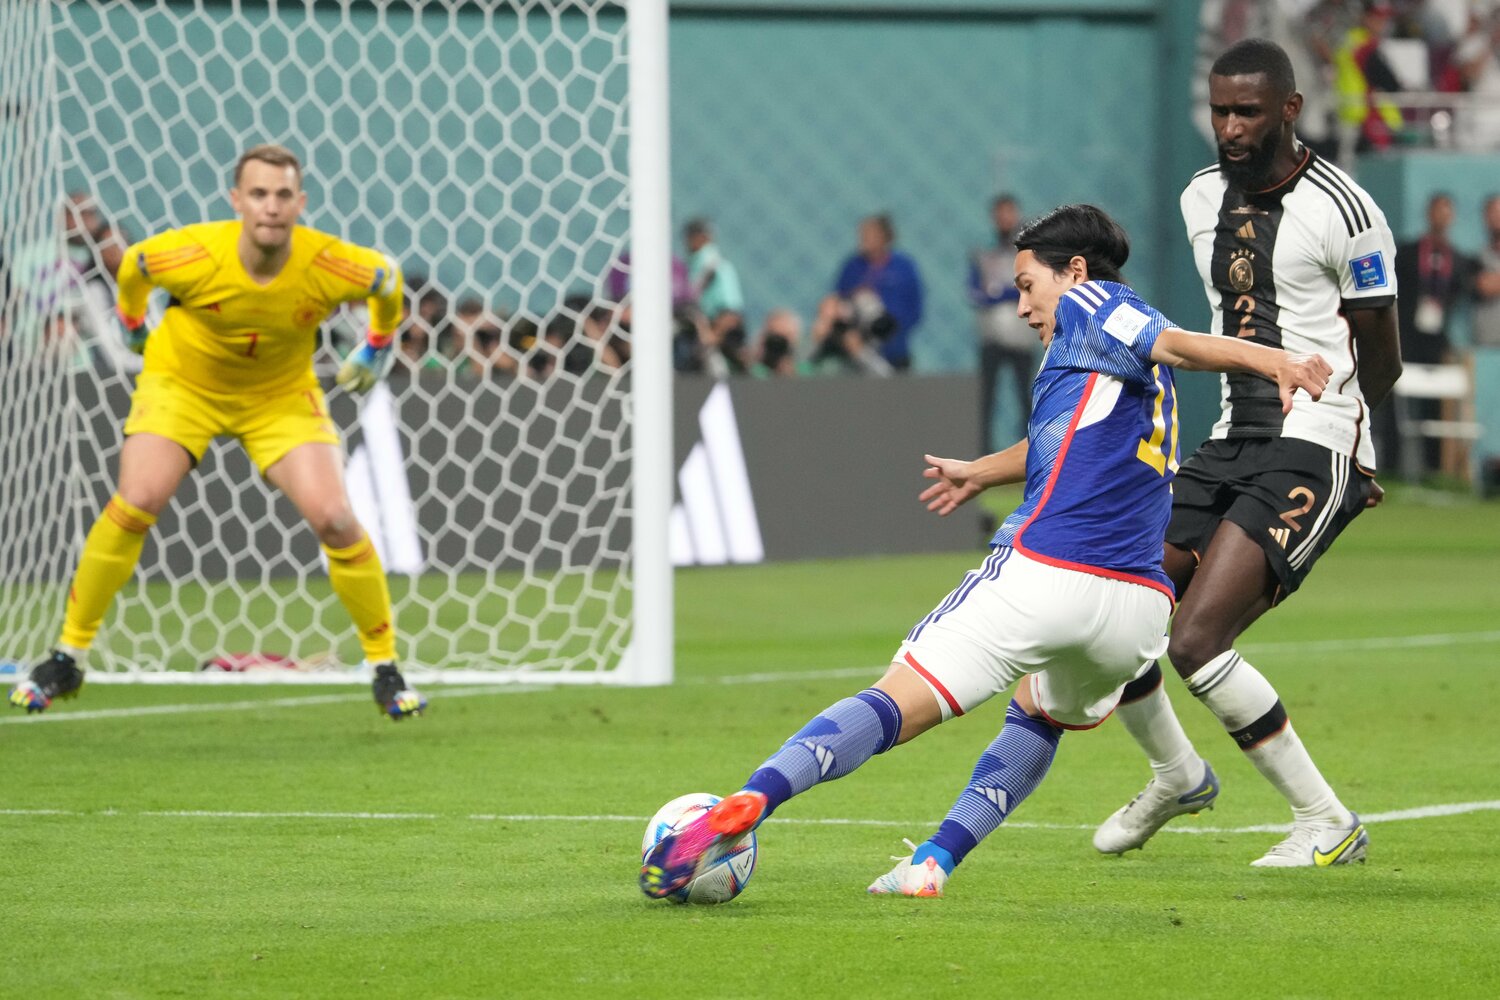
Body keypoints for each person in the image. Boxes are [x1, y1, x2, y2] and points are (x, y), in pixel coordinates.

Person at [640, 204, 1333, 900]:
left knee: (894, 702)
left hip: (1048, 572)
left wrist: (1275, 361)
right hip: (1137, 609)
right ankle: (933, 861)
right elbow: (1069, 438)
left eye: (1028, 285)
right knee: (1038, 713)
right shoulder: (1111, 364)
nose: (1022, 305)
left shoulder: (1096, 305)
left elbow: (1177, 344)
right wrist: (980, 471)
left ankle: (753, 799)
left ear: (1076, 272)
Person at [1086, 37, 1401, 866]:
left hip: (1315, 440)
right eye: (1220, 110)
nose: (1229, 126)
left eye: (1247, 112)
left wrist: (1354, 450)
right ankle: (1175, 774)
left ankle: (1326, 822)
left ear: (1289, 110)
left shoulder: (1347, 212)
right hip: (1230, 438)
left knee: (1195, 641)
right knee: (1110, 611)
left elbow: (1384, 355)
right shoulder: (1199, 196)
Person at [7, 144, 428, 721]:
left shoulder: (329, 262)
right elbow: (134, 268)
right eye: (259, 194)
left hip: (279, 397)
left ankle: (385, 668)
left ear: (300, 203)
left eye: (283, 195)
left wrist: (376, 346)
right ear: (237, 201)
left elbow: (387, 281)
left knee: (335, 518)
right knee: (137, 500)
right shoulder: (194, 252)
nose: (271, 207)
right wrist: (134, 327)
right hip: (183, 386)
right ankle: (68, 656)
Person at [1379, 192, 1478, 472]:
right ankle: (1392, 465)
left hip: (1436, 341)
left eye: (1447, 212)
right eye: (1437, 210)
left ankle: (1435, 469)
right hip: (1405, 338)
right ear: (1428, 213)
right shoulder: (1408, 253)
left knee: (1435, 406)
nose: (1441, 217)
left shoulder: (1457, 259)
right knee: (1394, 403)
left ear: (1452, 217)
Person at [811, 214, 924, 373]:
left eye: (870, 234)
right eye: (862, 234)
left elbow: (914, 309)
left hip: (893, 349)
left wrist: (888, 329)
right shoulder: (852, 267)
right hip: (856, 350)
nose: (864, 239)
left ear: (884, 236)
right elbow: (837, 301)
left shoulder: (903, 268)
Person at [969, 195, 1034, 452]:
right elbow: (975, 293)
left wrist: (999, 292)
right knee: (986, 401)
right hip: (992, 337)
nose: (1005, 219)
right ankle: (984, 456)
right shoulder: (983, 253)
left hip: (1022, 337)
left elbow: (1029, 287)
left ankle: (1030, 455)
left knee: (1026, 399)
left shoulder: (1030, 253)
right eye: (1000, 213)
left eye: (1009, 212)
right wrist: (1004, 292)